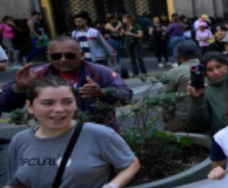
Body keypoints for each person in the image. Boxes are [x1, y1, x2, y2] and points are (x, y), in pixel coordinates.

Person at [0, 77, 140, 188]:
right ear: (30, 106)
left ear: (76, 104)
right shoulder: (20, 140)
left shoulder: (99, 135)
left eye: (67, 102)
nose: (59, 109)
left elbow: (131, 163)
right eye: (48, 103)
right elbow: (16, 186)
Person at [1, 37, 132, 126]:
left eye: (70, 55)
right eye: (56, 56)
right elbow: (5, 105)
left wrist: (102, 93)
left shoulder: (100, 72)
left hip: (98, 135)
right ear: (48, 56)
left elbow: (126, 95)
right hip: (54, 136)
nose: (63, 60)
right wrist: (19, 89)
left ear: (81, 55)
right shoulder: (35, 74)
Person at [163, 41, 203, 132]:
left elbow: (167, 100)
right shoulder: (209, 68)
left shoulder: (174, 72)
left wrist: (167, 118)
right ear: (198, 54)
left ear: (178, 57)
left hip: (183, 119)